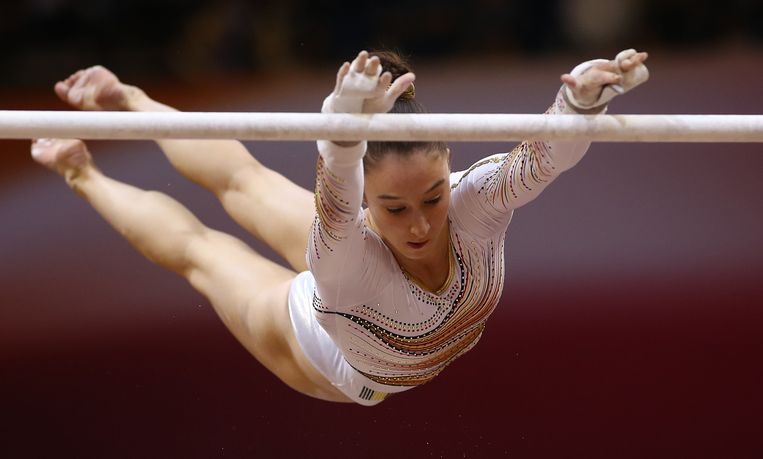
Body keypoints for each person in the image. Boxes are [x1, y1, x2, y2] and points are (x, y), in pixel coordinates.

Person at [32, 48, 649, 406]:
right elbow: (335, 187)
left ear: (450, 173)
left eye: (432, 198)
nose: (420, 225)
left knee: (249, 185)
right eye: (394, 208)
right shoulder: (344, 255)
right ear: (365, 202)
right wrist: (339, 122)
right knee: (203, 250)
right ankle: (84, 167)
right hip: (323, 350)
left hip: (361, 271)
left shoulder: (475, 205)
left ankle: (129, 102)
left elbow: (546, 156)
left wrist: (580, 102)